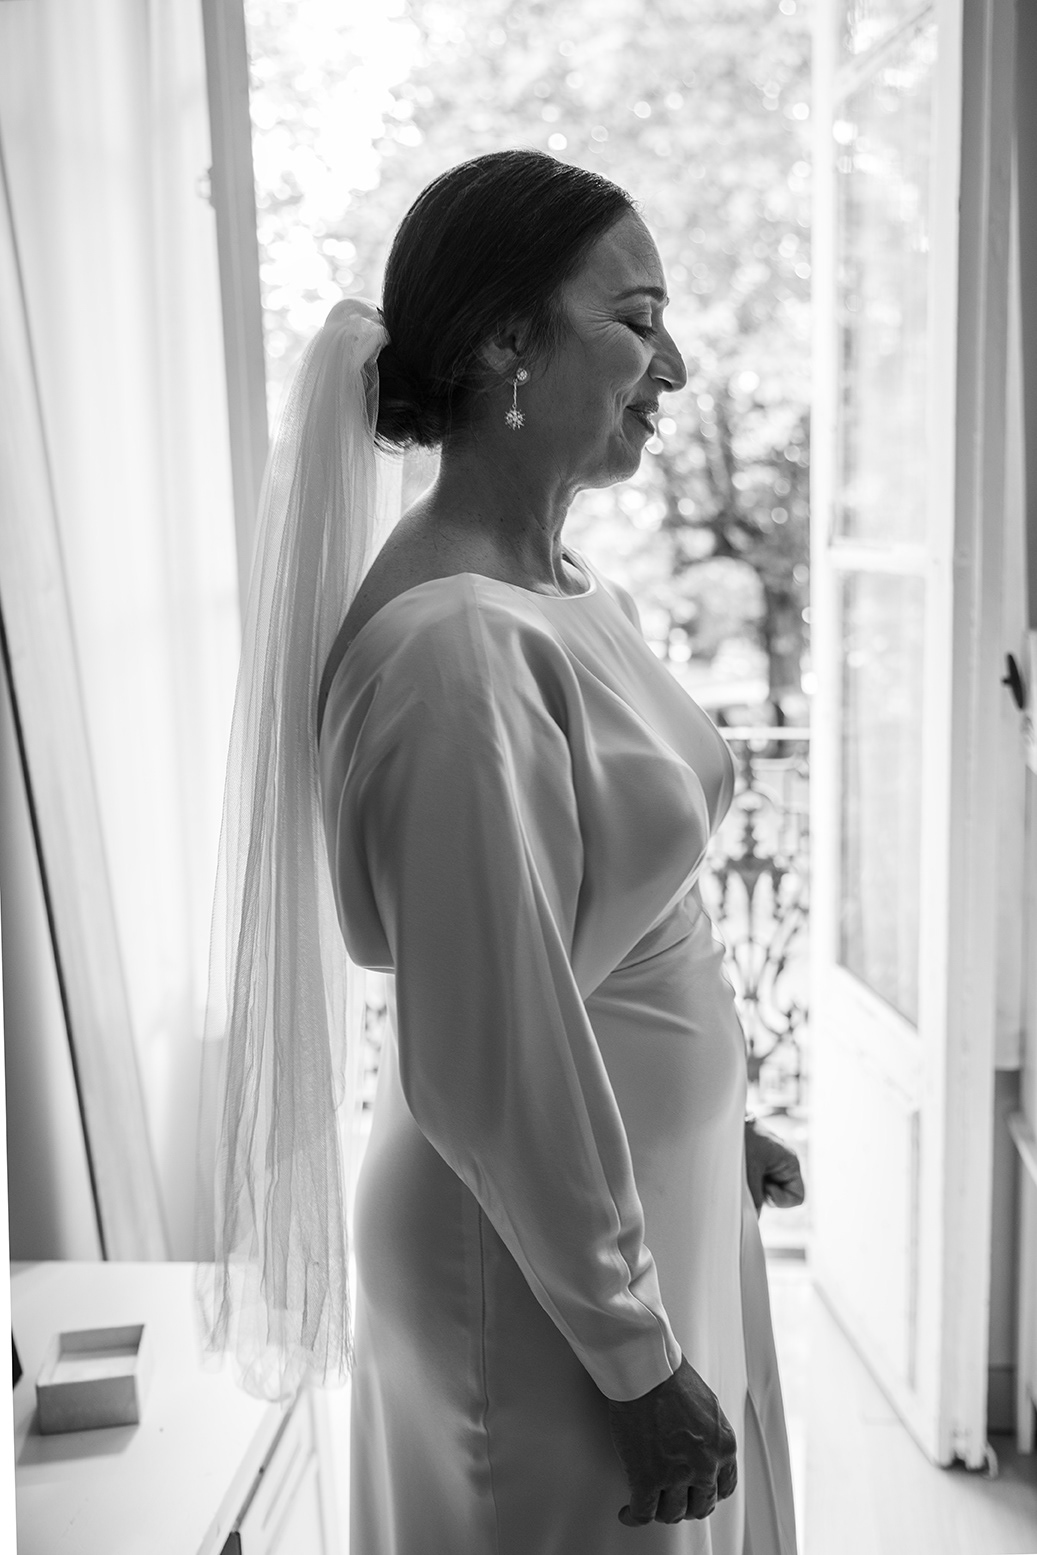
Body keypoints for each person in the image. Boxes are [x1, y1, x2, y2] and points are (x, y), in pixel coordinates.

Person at [206, 148, 803, 1555]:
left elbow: (599, 918)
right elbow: (491, 1048)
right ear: (502, 347)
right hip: (534, 1273)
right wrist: (632, 1354)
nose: (674, 371)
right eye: (638, 323)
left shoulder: (564, 592)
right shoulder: (457, 649)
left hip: (622, 1197)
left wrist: (714, 1110)